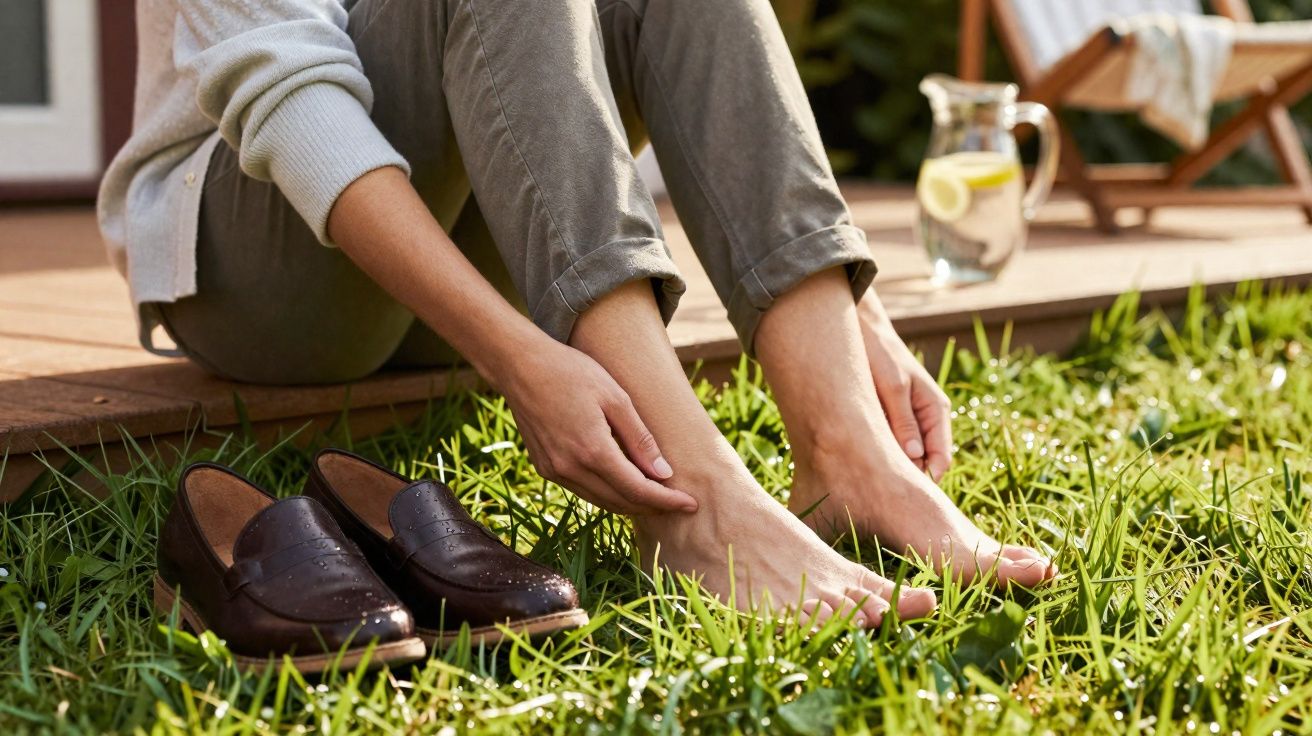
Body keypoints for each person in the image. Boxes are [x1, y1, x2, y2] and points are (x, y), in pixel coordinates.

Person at [99, 0, 1056, 629]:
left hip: (475, 236)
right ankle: (695, 507)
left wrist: (857, 320)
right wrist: (519, 356)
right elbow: (287, 97)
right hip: (265, 278)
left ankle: (850, 456)